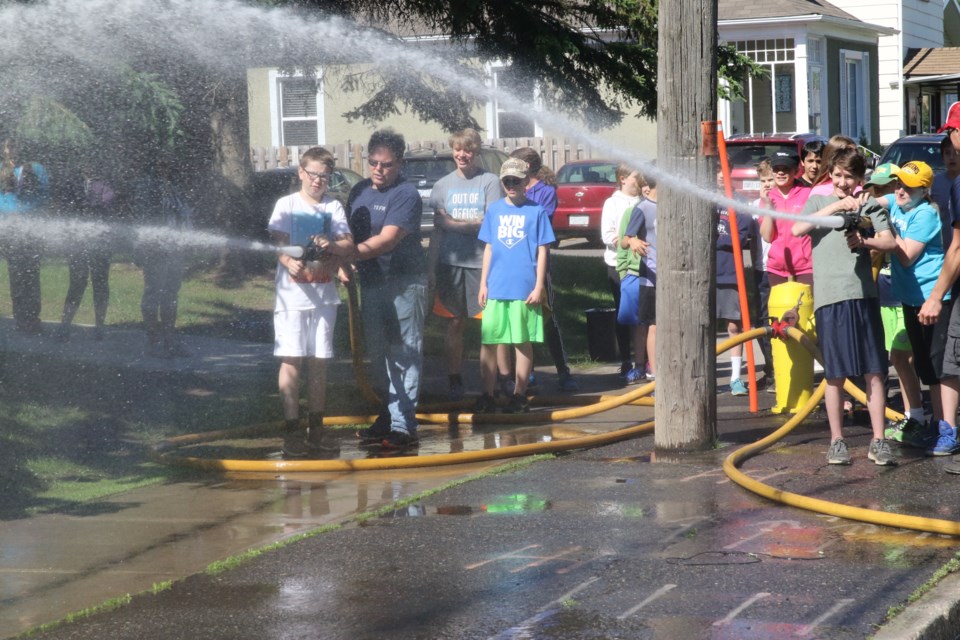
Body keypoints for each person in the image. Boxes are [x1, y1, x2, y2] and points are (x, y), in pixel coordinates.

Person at [791, 148, 897, 466]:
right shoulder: (818, 201)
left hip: (863, 295)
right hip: (829, 297)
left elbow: (889, 241)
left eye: (848, 176)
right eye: (836, 175)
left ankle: (878, 440)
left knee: (875, 372)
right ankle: (837, 441)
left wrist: (865, 242)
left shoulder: (869, 204)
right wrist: (837, 205)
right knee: (835, 375)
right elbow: (797, 228)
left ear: (860, 179)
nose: (842, 181)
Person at [268, 147, 354, 458]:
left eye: (324, 176)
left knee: (319, 361)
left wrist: (332, 246)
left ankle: (316, 429)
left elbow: (347, 243)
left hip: (323, 297)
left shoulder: (333, 207)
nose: (317, 180)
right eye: (313, 174)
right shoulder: (286, 205)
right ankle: (292, 432)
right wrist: (286, 260)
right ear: (301, 173)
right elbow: (277, 241)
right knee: (292, 359)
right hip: (292, 296)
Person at [348, 129, 428, 452]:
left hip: (405, 283)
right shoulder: (358, 192)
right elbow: (347, 235)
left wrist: (348, 254)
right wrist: (341, 259)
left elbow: (388, 239)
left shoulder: (406, 195)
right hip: (371, 284)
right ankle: (387, 415)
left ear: (400, 163)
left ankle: (403, 425)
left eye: (387, 165)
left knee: (404, 354)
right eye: (374, 163)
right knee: (378, 354)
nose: (379, 170)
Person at [873, 161, 956, 455]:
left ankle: (943, 426)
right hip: (909, 298)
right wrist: (858, 200)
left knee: (935, 365)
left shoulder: (927, 214)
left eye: (908, 186)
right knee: (920, 363)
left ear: (925, 190)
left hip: (932, 299)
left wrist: (881, 234)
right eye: (898, 184)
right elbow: (876, 199)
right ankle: (929, 422)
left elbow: (906, 255)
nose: (900, 190)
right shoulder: (898, 204)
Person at [473, 157, 555, 414]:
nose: (511, 185)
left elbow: (543, 249)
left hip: (524, 286)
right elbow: (489, 247)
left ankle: (519, 394)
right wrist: (483, 284)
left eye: (516, 180)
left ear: (525, 181)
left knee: (522, 340)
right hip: (496, 286)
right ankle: (487, 393)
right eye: (507, 180)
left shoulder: (536, 211)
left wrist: (539, 285)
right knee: (490, 340)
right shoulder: (495, 210)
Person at [426, 128, 503, 401]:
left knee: (489, 325)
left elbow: (489, 226)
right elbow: (437, 230)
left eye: (467, 150)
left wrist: (452, 224)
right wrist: (431, 268)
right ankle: (454, 378)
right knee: (454, 323)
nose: (462, 155)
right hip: (450, 263)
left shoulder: (490, 182)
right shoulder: (443, 185)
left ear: (476, 151)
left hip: (482, 264)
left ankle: (492, 384)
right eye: (458, 149)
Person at [863, 165, 925, 444]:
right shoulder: (882, 211)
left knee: (903, 359)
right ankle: (913, 414)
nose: (887, 192)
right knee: (897, 359)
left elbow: (902, 253)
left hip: (905, 296)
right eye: (879, 188)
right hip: (885, 295)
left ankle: (917, 416)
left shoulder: (910, 215)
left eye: (889, 187)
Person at [509, 147, 578, 392]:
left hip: (538, 266)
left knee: (547, 318)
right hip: (512, 265)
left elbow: (540, 224)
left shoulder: (545, 193)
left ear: (527, 167)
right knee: (516, 319)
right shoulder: (510, 188)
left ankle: (563, 371)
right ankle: (526, 373)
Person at [917, 101, 960, 473]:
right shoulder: (948, 184)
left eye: (952, 133)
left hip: (951, 283)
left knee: (950, 359)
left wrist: (934, 295)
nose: (950, 143)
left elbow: (958, 248)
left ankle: (949, 429)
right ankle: (947, 427)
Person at [133, 159, 193, 358]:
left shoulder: (175, 190)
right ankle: (153, 341)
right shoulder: (147, 187)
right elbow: (141, 218)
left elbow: (185, 217)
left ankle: (169, 339)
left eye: (167, 164)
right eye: (161, 164)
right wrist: (142, 246)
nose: (164, 168)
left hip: (175, 248)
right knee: (153, 294)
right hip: (155, 248)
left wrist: (187, 241)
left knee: (171, 294)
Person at [55, 163, 119, 342]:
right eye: (85, 161)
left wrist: (87, 204)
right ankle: (65, 325)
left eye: (93, 160)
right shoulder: (73, 183)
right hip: (77, 242)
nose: (89, 165)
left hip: (101, 242)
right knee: (77, 282)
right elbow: (65, 207)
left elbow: (107, 203)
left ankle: (100, 326)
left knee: (100, 282)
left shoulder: (106, 183)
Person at [715, 171, 758, 396]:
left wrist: (714, 239)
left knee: (734, 326)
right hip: (703, 273)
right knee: (702, 326)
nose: (721, 177)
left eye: (725, 172)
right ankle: (704, 375)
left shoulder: (739, 203)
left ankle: (735, 378)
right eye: (717, 173)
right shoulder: (705, 198)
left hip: (730, 272)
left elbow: (738, 238)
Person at [2, 138, 49, 335]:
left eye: (13, 146)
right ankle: (20, 319)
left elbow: (45, 195)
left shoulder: (36, 169)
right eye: (6, 147)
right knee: (15, 276)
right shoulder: (2, 170)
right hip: (9, 231)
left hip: (29, 230)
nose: (9, 150)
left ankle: (32, 318)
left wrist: (24, 210)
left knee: (30, 275)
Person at [601, 163, 643, 380]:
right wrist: (627, 243)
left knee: (642, 315)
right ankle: (626, 359)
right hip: (618, 264)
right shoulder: (612, 203)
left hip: (642, 264)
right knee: (624, 313)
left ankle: (642, 360)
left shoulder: (643, 201)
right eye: (636, 177)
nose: (639, 181)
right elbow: (607, 235)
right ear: (623, 179)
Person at [617, 175, 657, 385]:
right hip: (648, 275)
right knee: (650, 324)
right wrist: (632, 241)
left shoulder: (675, 206)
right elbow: (624, 240)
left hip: (673, 275)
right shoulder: (641, 208)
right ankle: (650, 372)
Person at [759, 151, 812, 287]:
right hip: (776, 268)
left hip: (805, 267)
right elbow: (767, 237)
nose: (780, 173)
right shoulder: (767, 197)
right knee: (780, 308)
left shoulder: (808, 194)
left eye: (786, 169)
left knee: (804, 307)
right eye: (777, 169)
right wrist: (768, 206)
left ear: (796, 171)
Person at [752, 159, 775, 389]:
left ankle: (778, 370)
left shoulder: (780, 204)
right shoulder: (754, 206)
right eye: (763, 181)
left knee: (777, 320)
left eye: (770, 180)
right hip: (761, 269)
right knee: (761, 321)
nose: (767, 185)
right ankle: (769, 369)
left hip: (779, 268)